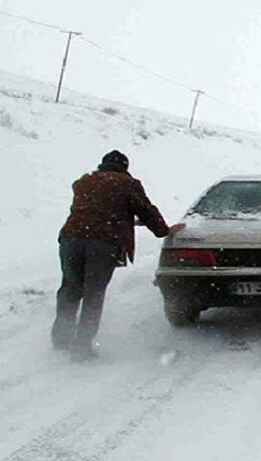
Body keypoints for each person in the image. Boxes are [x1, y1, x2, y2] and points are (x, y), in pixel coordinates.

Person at [53, 150, 181, 361]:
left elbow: (96, 210)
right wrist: (163, 231)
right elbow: (146, 210)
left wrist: (123, 219)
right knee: (94, 292)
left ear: (103, 164)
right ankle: (82, 346)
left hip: (71, 239)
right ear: (124, 167)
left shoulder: (84, 182)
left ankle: (61, 336)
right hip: (103, 243)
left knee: (70, 287)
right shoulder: (127, 184)